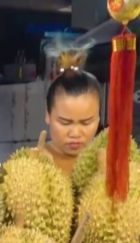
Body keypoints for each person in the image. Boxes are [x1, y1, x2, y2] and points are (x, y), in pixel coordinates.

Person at [42, 50, 101, 178]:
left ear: (98, 118)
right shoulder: (31, 164)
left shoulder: (111, 165)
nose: (75, 134)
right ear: (48, 115)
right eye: (65, 122)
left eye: (86, 122)